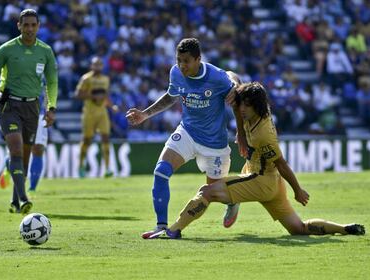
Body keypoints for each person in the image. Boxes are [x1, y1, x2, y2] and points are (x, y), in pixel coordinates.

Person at [153, 82, 365, 239]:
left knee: (206, 192)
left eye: (247, 106)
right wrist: (241, 133)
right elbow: (232, 84)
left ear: (256, 106)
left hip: (260, 180)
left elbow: (282, 164)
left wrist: (298, 190)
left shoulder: (264, 134)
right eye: (241, 105)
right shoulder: (257, 111)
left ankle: (173, 230)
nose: (242, 109)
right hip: (269, 183)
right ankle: (344, 228)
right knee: (298, 229)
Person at [126, 38, 244, 239]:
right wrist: (145, 114)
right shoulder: (176, 73)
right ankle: (161, 226)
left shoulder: (215, 77)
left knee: (213, 193)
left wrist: (241, 133)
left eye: (186, 61)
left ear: (199, 59)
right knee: (161, 171)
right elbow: (171, 96)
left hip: (214, 144)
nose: (182, 65)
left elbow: (235, 86)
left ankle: (233, 201)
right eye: (179, 60)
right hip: (187, 133)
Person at [0, 9, 58, 214]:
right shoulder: (6, 50)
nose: (29, 29)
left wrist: (51, 108)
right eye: (26, 25)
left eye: (33, 25)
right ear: (19, 26)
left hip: (32, 106)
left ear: (38, 26)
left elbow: (52, 82)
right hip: (8, 105)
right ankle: (23, 198)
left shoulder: (45, 51)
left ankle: (14, 200)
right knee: (16, 149)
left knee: (26, 156)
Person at [75, 56, 116, 178]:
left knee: (106, 138)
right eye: (95, 64)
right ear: (91, 66)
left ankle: (108, 168)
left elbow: (105, 95)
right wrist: (92, 97)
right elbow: (78, 94)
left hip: (102, 112)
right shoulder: (86, 78)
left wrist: (111, 106)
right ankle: (81, 165)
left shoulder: (105, 79)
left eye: (99, 65)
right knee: (87, 140)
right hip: (89, 113)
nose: (97, 67)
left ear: (102, 66)